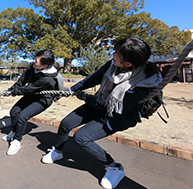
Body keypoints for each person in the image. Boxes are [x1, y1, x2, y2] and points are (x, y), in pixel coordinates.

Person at [41, 38, 162, 189]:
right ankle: (58, 151)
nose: (113, 54)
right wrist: (72, 89)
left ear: (128, 64)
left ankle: (114, 167)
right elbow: (92, 79)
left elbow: (111, 108)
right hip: (99, 102)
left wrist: (85, 97)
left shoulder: (144, 82)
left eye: (117, 53)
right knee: (66, 123)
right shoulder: (113, 64)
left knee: (81, 138)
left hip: (120, 115)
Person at [2, 49, 62, 156]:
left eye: (37, 61)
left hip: (43, 99)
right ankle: (15, 131)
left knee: (22, 117)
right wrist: (11, 89)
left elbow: (29, 88)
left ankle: (17, 141)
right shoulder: (32, 66)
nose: (34, 62)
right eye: (34, 59)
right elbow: (22, 81)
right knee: (14, 112)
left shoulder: (48, 79)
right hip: (31, 95)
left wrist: (15, 92)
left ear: (45, 66)